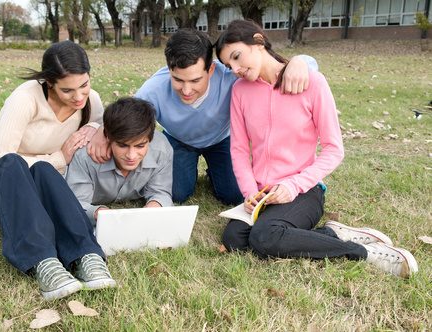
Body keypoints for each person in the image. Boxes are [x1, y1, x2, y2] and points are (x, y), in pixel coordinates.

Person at [215, 19, 418, 279]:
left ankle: (363, 252)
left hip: (304, 191)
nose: (235, 69)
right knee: (234, 240)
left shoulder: (313, 83)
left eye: (236, 56)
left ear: (258, 42)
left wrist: (293, 186)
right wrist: (250, 192)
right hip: (263, 195)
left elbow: (334, 149)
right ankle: (332, 233)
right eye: (228, 65)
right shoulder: (240, 91)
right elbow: (240, 150)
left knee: (264, 237)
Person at [0, 40, 116, 301]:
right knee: (18, 163)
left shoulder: (90, 100)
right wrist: (58, 158)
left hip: (29, 197)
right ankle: (43, 262)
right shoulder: (25, 98)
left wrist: (94, 129)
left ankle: (86, 254)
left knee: (43, 169)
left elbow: (97, 120)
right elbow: (1, 160)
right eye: (67, 90)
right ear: (48, 82)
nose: (78, 97)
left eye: (84, 85)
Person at [87, 29, 318, 206]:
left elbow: (276, 67)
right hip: (178, 140)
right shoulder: (154, 88)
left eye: (195, 80)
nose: (186, 90)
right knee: (177, 194)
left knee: (233, 195)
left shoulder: (231, 74)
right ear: (169, 70)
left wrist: (301, 61)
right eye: (178, 80)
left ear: (210, 69)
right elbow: (128, 115)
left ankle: (214, 171)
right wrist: (102, 130)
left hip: (222, 139)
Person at [66, 97, 173, 225]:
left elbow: (161, 192)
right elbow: (75, 204)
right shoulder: (84, 157)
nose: (131, 156)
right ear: (107, 138)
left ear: (150, 140)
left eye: (140, 146)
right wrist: (99, 213)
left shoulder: (161, 149)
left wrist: (154, 206)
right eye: (122, 146)